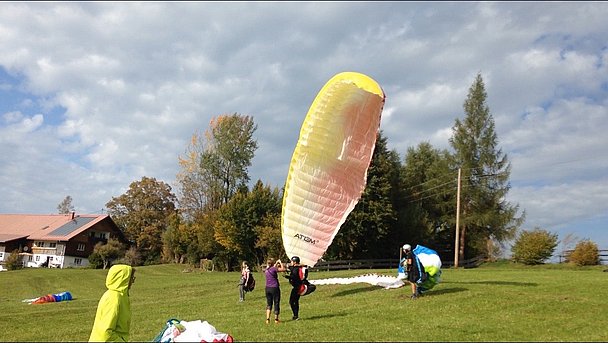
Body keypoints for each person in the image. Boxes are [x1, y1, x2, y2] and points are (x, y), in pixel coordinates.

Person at [89, 264, 136, 342]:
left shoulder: (122, 296)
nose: (133, 281)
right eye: (131, 278)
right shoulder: (114, 298)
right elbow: (106, 332)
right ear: (123, 279)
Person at [286, 255, 316, 321]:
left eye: (291, 261)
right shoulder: (297, 268)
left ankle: (295, 315)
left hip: (297, 287)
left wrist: (288, 277)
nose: (290, 262)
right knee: (295, 301)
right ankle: (296, 315)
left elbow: (295, 277)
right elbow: (290, 268)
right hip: (299, 286)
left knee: (292, 301)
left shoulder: (295, 269)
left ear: (294, 262)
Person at [263, 257, 286, 324]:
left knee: (269, 304)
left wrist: (276, 263)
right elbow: (283, 269)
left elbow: (272, 267)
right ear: (273, 263)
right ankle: (276, 319)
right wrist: (280, 263)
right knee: (276, 303)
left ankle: (267, 319)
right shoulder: (274, 269)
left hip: (267, 288)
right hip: (275, 288)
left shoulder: (267, 270)